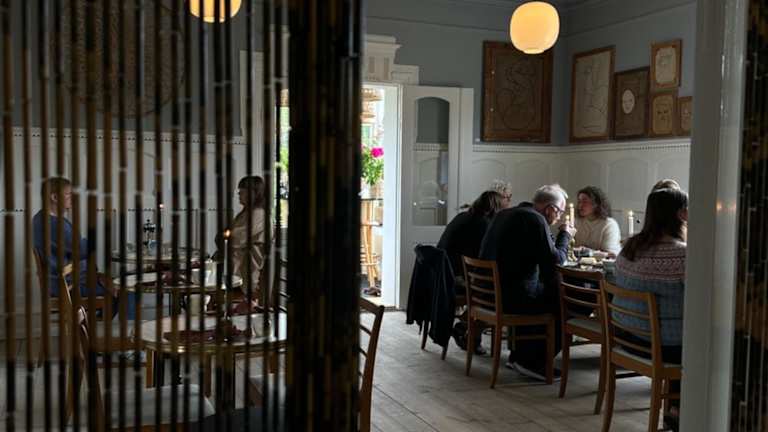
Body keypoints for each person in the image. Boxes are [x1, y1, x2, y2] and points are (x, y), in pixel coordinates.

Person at [478, 184, 576, 381]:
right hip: (510, 299)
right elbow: (555, 263)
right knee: (567, 302)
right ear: (550, 209)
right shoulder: (535, 219)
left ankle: (519, 356)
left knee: (547, 291)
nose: (559, 218)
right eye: (559, 212)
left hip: (488, 294)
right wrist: (565, 235)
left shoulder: (506, 213)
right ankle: (533, 362)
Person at [612, 188, 688, 430]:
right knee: (703, 349)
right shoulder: (682, 255)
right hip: (661, 347)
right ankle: (682, 411)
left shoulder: (629, 248)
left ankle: (676, 410)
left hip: (627, 338)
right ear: (681, 214)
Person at [33, 177, 135, 319]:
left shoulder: (39, 218)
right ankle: (124, 328)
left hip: (58, 282)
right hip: (68, 285)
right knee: (128, 288)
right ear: (54, 197)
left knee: (115, 283)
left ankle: (92, 323)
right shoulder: (56, 224)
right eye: (69, 194)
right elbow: (83, 250)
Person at [437, 191, 504, 355]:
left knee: (486, 291)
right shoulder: (482, 224)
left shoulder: (464, 216)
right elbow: (483, 257)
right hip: (454, 278)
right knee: (492, 295)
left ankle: (466, 329)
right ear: (495, 208)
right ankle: (467, 331)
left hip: (443, 274)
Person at [216, 176, 267, 314]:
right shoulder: (246, 213)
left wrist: (224, 235)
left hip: (246, 271)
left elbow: (235, 237)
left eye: (242, 191)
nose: (239, 193)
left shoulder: (259, 214)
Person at [437, 190, 504, 279]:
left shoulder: (462, 216)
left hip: (441, 270)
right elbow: (486, 253)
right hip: (454, 276)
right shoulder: (483, 223)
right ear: (495, 208)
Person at [573, 186, 621, 255]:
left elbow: (610, 254)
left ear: (596, 204)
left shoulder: (609, 224)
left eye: (585, 202)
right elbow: (568, 248)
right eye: (579, 201)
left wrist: (587, 252)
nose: (580, 205)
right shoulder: (576, 222)